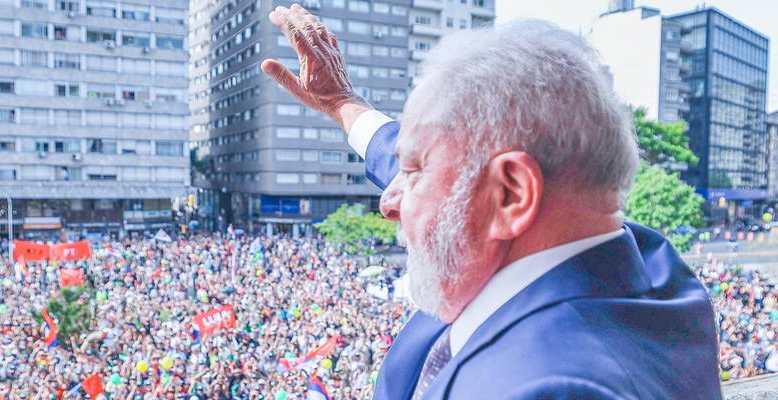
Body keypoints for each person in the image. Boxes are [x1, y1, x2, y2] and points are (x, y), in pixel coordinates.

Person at [262, 4, 720, 399]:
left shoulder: (548, 387)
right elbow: (460, 175)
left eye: (416, 170)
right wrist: (345, 104)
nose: (390, 200)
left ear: (512, 193)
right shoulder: (646, 264)